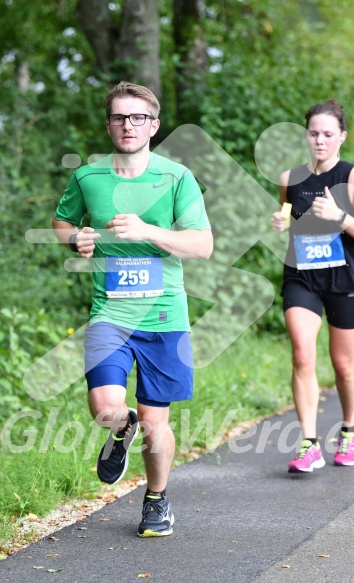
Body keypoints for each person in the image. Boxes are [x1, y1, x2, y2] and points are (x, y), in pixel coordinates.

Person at [52, 81, 213, 535]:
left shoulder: (176, 177)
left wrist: (147, 229)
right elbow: (63, 220)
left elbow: (202, 245)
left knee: (157, 424)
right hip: (111, 314)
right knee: (106, 407)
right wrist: (74, 238)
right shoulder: (88, 177)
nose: (129, 125)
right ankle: (121, 430)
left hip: (164, 316)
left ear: (154, 125)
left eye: (138, 117)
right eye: (120, 117)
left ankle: (157, 499)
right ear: (108, 125)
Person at [271, 99, 354, 473]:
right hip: (302, 275)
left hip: (343, 278)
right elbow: (287, 211)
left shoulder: (353, 178)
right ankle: (309, 442)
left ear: (342, 137)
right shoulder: (290, 178)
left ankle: (350, 429)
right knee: (302, 354)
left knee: (343, 363)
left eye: (328, 134)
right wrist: (281, 221)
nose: (320, 140)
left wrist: (339, 216)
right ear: (306, 135)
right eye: (314, 133)